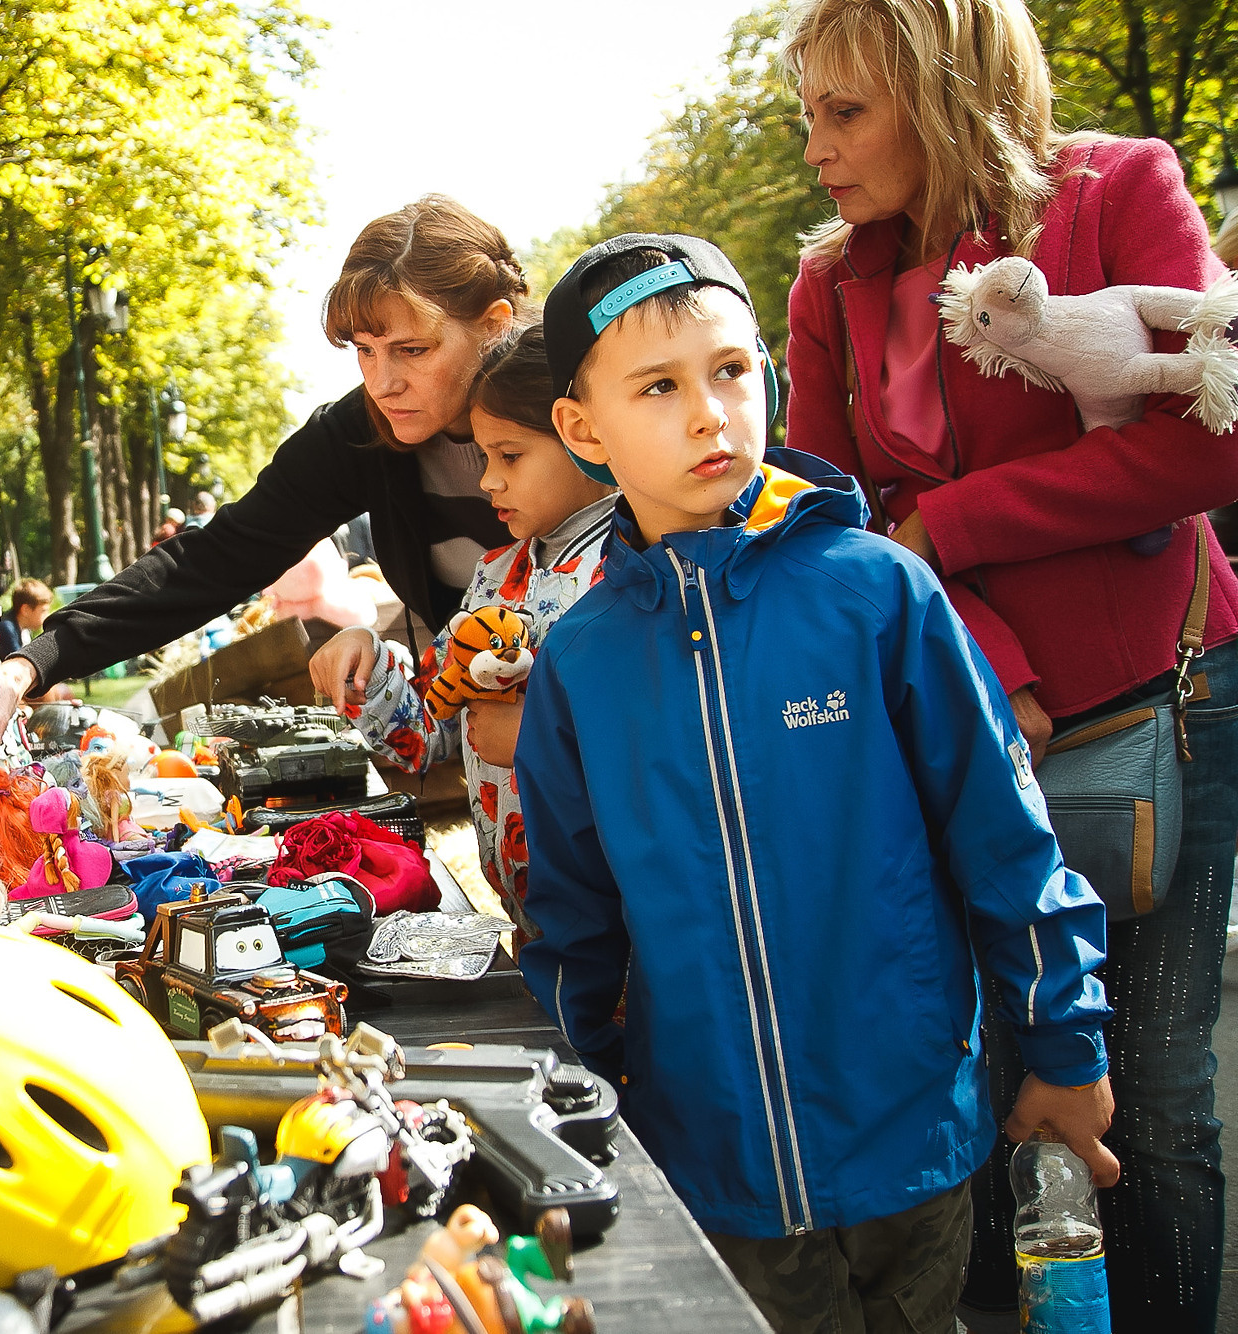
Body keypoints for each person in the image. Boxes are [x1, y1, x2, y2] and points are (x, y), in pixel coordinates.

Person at [517, 235, 1113, 1334]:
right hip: (709, 1155)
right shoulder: (579, 661)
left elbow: (1002, 833)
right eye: (658, 386)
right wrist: (579, 1110)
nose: (708, 413)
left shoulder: (875, 592)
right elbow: (570, 917)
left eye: (730, 370)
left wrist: (1063, 1044)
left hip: (908, 1136)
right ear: (581, 428)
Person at [780, 2, 1238, 1326]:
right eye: (809, 113)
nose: (818, 147)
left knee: (1147, 1106)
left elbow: (1210, 441)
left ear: (943, 91)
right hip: (961, 730)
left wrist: (953, 526)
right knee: (976, 1091)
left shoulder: (1119, 190)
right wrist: (989, 665)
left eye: (846, 112)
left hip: (1167, 700)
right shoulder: (826, 286)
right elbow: (836, 527)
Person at [0, 196, 529, 729]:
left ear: (495, 325)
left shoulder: (576, 407)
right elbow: (218, 556)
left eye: (414, 350)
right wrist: (33, 661)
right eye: (365, 350)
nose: (383, 383)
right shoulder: (359, 436)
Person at [333, 324, 611, 937]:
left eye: (509, 456)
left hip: (629, 920)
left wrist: (535, 735)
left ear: (586, 435)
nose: (487, 480)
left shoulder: (633, 571)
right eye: (485, 457)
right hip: (529, 912)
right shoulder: (494, 574)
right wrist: (368, 668)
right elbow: (427, 733)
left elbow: (672, 746)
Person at [0, 578, 52, 659]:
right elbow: (19, 661)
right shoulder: (6, 628)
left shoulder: (25, 629)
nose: (47, 616)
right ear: (26, 610)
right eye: (43, 611)